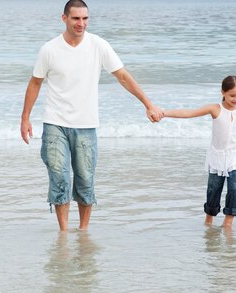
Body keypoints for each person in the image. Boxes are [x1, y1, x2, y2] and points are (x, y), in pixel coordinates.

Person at [20, 0, 164, 232]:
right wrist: (25, 118)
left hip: (86, 124)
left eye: (85, 18)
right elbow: (35, 83)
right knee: (59, 177)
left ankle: (83, 232)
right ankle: (64, 233)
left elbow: (123, 76)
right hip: (54, 122)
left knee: (85, 180)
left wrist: (148, 104)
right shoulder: (49, 49)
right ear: (64, 18)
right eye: (76, 18)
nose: (81, 23)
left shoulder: (98, 45)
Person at [162, 76, 236, 228]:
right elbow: (189, 113)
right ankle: (209, 218)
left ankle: (228, 222)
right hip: (217, 156)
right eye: (232, 95)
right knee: (214, 189)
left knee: (234, 188)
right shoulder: (215, 109)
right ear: (223, 92)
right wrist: (164, 113)